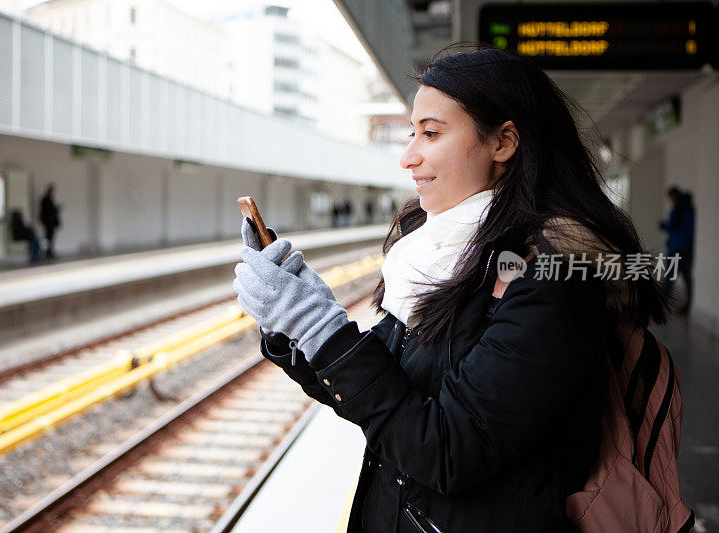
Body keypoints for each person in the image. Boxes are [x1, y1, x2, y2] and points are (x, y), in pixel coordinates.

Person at [233, 45, 672, 532]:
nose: (408, 156)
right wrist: (292, 325)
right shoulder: (443, 258)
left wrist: (319, 325)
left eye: (431, 133)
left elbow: (447, 449)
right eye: (411, 133)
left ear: (503, 142)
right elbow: (382, 396)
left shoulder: (553, 277)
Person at [659, 186, 695, 314]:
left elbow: (672, 225)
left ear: (673, 196)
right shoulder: (690, 208)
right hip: (688, 248)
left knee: (669, 275)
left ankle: (662, 303)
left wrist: (662, 225)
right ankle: (689, 304)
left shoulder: (678, 208)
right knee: (687, 276)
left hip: (676, 248)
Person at [39, 184, 61, 258]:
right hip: (48, 222)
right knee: (48, 237)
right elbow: (49, 211)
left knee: (50, 237)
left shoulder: (48, 199)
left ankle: (49, 251)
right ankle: (47, 251)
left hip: (49, 221)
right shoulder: (46, 199)